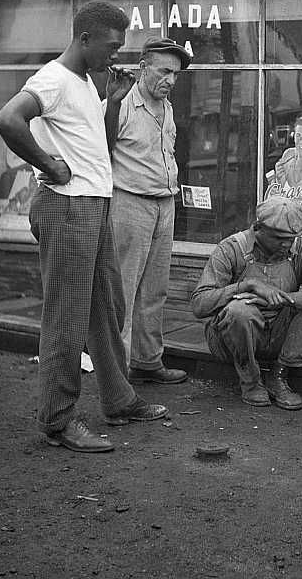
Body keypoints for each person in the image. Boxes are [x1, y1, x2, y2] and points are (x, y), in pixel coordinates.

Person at [0, 0, 167, 453]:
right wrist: (48, 163)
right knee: (65, 319)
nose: (115, 55)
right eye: (110, 46)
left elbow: (96, 142)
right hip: (66, 207)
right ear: (84, 38)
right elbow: (7, 120)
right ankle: (57, 420)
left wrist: (112, 100)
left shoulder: (87, 83)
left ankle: (118, 399)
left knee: (103, 308)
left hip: (94, 205)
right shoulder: (51, 79)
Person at [191, 197, 302, 410]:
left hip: (279, 338)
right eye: (279, 238)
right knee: (239, 310)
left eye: (291, 238)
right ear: (258, 229)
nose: (286, 244)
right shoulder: (231, 249)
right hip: (231, 342)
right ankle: (250, 381)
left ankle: (278, 375)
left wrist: (284, 298)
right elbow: (199, 304)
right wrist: (246, 286)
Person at [105, 37, 191, 385]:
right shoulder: (121, 104)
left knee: (155, 289)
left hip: (164, 203)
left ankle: (148, 360)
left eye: (176, 74)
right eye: (164, 71)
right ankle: (117, 372)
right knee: (123, 289)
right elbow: (101, 150)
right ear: (143, 68)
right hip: (130, 202)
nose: (170, 80)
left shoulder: (166, 107)